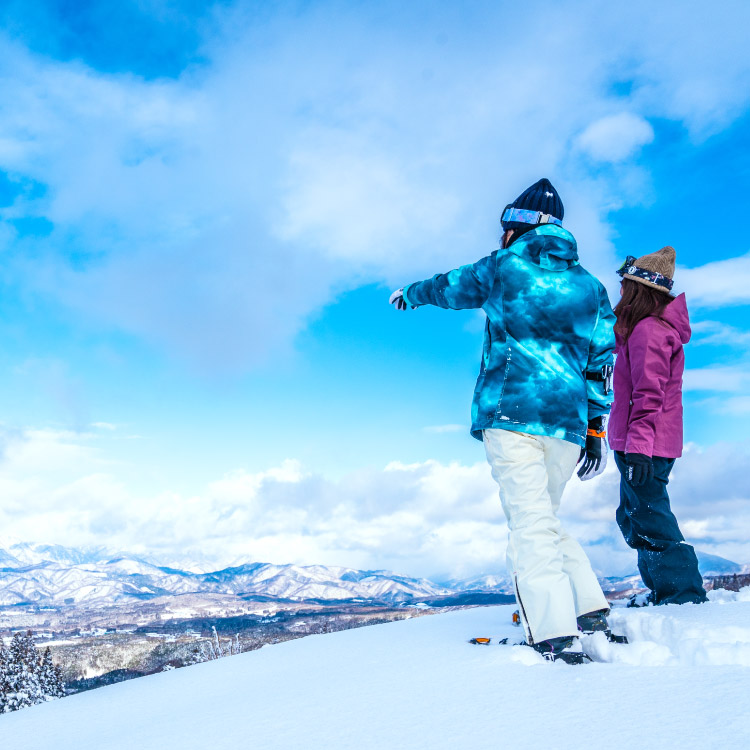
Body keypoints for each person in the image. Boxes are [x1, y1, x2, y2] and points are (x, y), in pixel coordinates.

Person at [390, 179, 618, 662]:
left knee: (530, 526)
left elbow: (448, 286)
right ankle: (588, 609)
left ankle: (553, 633)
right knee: (544, 519)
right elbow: (601, 363)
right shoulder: (592, 287)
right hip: (568, 424)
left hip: (513, 412)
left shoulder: (503, 268)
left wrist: (411, 294)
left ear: (517, 226)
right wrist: (596, 427)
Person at [610, 247, 708, 606]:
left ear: (638, 290)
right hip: (639, 441)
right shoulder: (643, 330)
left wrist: (637, 447)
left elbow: (648, 395)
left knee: (651, 518)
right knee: (634, 516)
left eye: (624, 285)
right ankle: (665, 591)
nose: (619, 292)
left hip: (644, 444)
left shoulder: (649, 332)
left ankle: (683, 596)